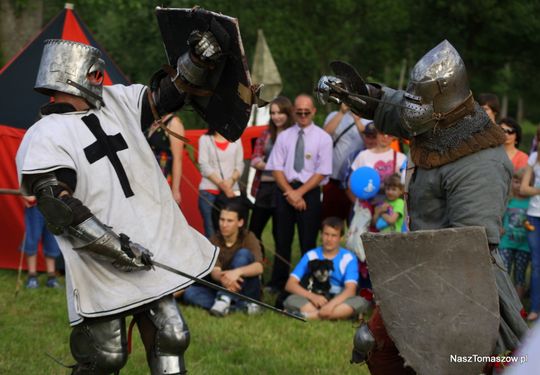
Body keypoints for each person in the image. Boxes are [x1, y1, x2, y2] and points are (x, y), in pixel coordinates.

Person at [16, 26, 244, 374]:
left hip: (151, 248)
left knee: (172, 335)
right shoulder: (45, 134)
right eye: (93, 71)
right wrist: (118, 249)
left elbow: (169, 94)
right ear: (70, 74)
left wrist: (196, 60)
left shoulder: (116, 103)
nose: (99, 77)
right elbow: (57, 206)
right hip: (99, 261)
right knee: (106, 357)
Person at [319, 40, 527, 374]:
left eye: (422, 101)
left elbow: (467, 248)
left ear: (444, 102)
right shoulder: (438, 120)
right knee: (377, 347)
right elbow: (396, 104)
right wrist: (355, 93)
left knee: (467, 363)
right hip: (419, 274)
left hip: (466, 286)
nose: (415, 109)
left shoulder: (481, 164)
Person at [265, 94, 333, 291]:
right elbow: (276, 168)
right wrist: (290, 193)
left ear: (313, 112)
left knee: (307, 241)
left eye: (306, 112)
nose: (303, 115)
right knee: (282, 240)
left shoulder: (323, 138)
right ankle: (278, 282)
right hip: (285, 190)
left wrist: (300, 193)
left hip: (309, 192)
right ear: (293, 112)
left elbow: (322, 171)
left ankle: (308, 282)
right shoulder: (284, 136)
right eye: (299, 112)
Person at [183, 201, 263, 316]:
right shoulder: (214, 240)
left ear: (240, 222)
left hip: (246, 290)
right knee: (190, 293)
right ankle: (241, 308)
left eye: (229, 221)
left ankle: (224, 298)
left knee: (243, 254)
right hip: (222, 285)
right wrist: (227, 279)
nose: (224, 225)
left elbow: (259, 267)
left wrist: (236, 272)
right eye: (222, 219)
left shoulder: (248, 237)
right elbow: (215, 272)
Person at [283, 217, 370, 320]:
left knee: (361, 301)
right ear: (321, 235)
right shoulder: (311, 255)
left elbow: (350, 290)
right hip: (315, 298)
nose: (329, 239)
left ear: (341, 238)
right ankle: (337, 315)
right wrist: (313, 297)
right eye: (326, 234)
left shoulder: (349, 258)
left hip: (339, 299)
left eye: (334, 235)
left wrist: (331, 305)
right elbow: (290, 285)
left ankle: (309, 316)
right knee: (291, 300)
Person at [249, 96, 293, 247]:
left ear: (288, 113)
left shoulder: (295, 135)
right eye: (273, 113)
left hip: (284, 189)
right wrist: (276, 166)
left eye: (280, 113)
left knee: (280, 232)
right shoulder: (266, 134)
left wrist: (267, 164)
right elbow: (254, 159)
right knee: (254, 230)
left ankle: (280, 267)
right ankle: (257, 262)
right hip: (264, 188)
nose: (276, 117)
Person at [322, 103, 366, 221]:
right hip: (333, 179)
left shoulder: (367, 120)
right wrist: (341, 113)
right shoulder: (333, 115)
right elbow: (323, 135)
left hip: (354, 183)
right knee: (330, 220)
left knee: (353, 222)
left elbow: (369, 141)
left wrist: (357, 119)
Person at [198, 129, 244, 238]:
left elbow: (240, 165)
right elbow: (204, 165)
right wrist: (223, 185)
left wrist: (231, 181)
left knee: (231, 230)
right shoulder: (205, 139)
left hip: (231, 193)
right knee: (211, 231)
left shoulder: (237, 139)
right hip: (208, 193)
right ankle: (214, 255)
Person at [500, 168, 530, 301]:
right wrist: (500, 228)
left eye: (522, 182)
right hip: (506, 243)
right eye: (516, 181)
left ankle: (518, 308)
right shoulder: (508, 201)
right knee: (503, 272)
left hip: (524, 246)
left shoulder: (532, 203)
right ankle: (504, 303)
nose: (518, 186)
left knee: (520, 275)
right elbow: (499, 217)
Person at [520, 126, 540, 322]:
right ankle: (535, 307)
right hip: (534, 215)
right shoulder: (533, 159)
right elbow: (524, 188)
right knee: (536, 264)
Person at [21, 195, 61, 288]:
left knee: (52, 240)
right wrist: (26, 195)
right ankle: (32, 277)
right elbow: (23, 183)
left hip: (53, 205)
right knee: (32, 239)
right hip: (34, 205)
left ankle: (51, 277)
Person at [145, 113, 185, 204]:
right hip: (150, 177)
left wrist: (175, 190)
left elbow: (178, 159)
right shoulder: (153, 121)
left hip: (164, 175)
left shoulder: (174, 123)